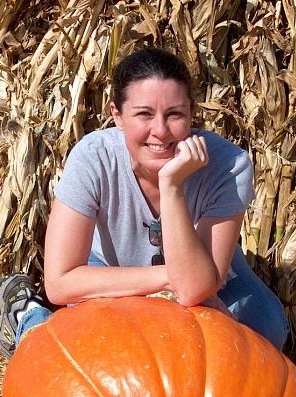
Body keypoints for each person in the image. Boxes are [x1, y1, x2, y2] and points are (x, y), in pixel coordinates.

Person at [0, 47, 289, 361]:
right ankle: (28, 316)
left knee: (266, 328)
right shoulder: (94, 157)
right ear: (117, 115)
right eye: (144, 114)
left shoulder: (229, 165)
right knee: (92, 351)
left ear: (192, 113)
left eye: (175, 114)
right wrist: (169, 278)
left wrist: (172, 184)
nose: (161, 131)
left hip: (205, 270)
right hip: (110, 268)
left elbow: (196, 289)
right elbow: (60, 281)